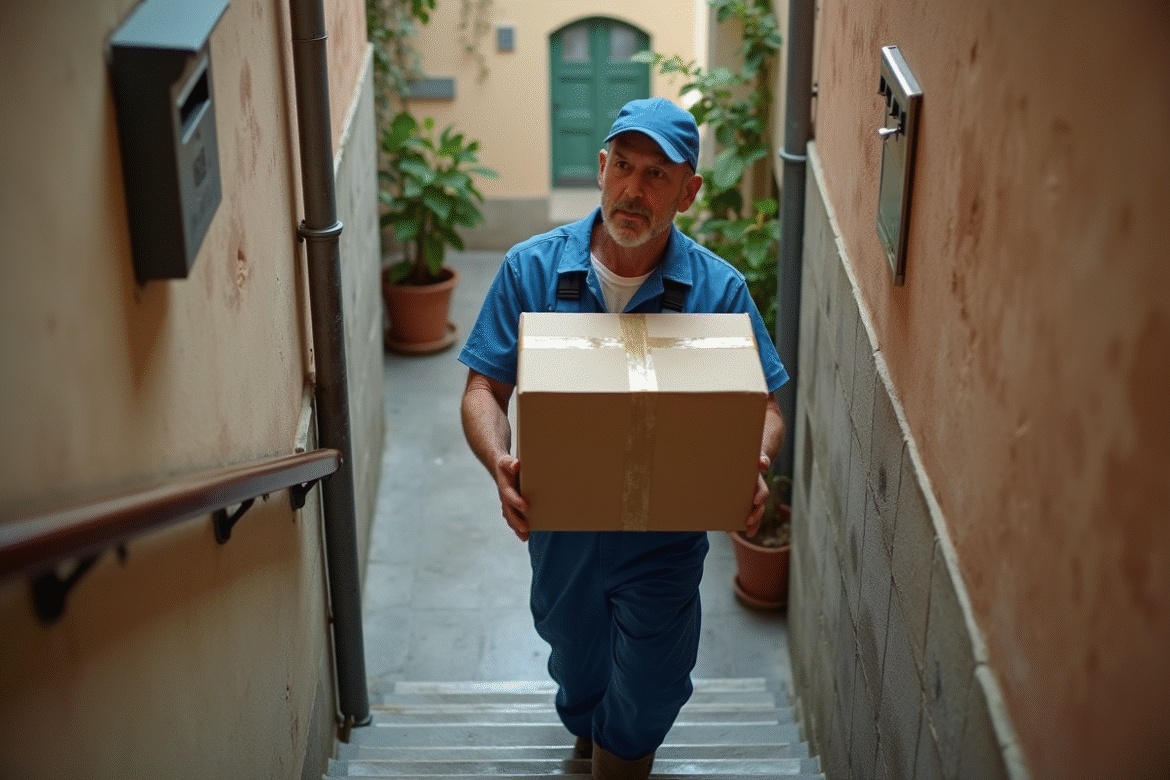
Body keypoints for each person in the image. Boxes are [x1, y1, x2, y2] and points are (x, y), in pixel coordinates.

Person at [458, 97, 788, 780]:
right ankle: (592, 733)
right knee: (576, 667)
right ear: (602, 168)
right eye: (625, 168)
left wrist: (749, 461)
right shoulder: (531, 270)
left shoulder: (718, 290)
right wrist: (500, 462)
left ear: (689, 191)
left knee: (649, 689)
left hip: (665, 536)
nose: (635, 190)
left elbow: (766, 406)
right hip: (562, 534)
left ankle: (619, 755)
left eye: (659, 175)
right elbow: (482, 392)